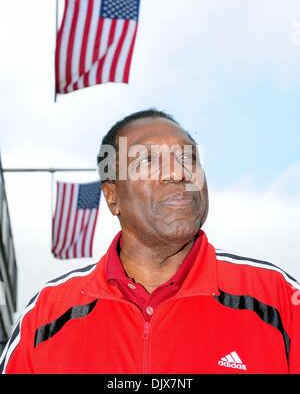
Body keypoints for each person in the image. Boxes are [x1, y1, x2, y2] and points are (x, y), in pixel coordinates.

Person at [1, 108, 299, 374]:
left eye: (188, 158)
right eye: (147, 160)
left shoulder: (279, 297)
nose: (177, 172)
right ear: (112, 196)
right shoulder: (45, 316)